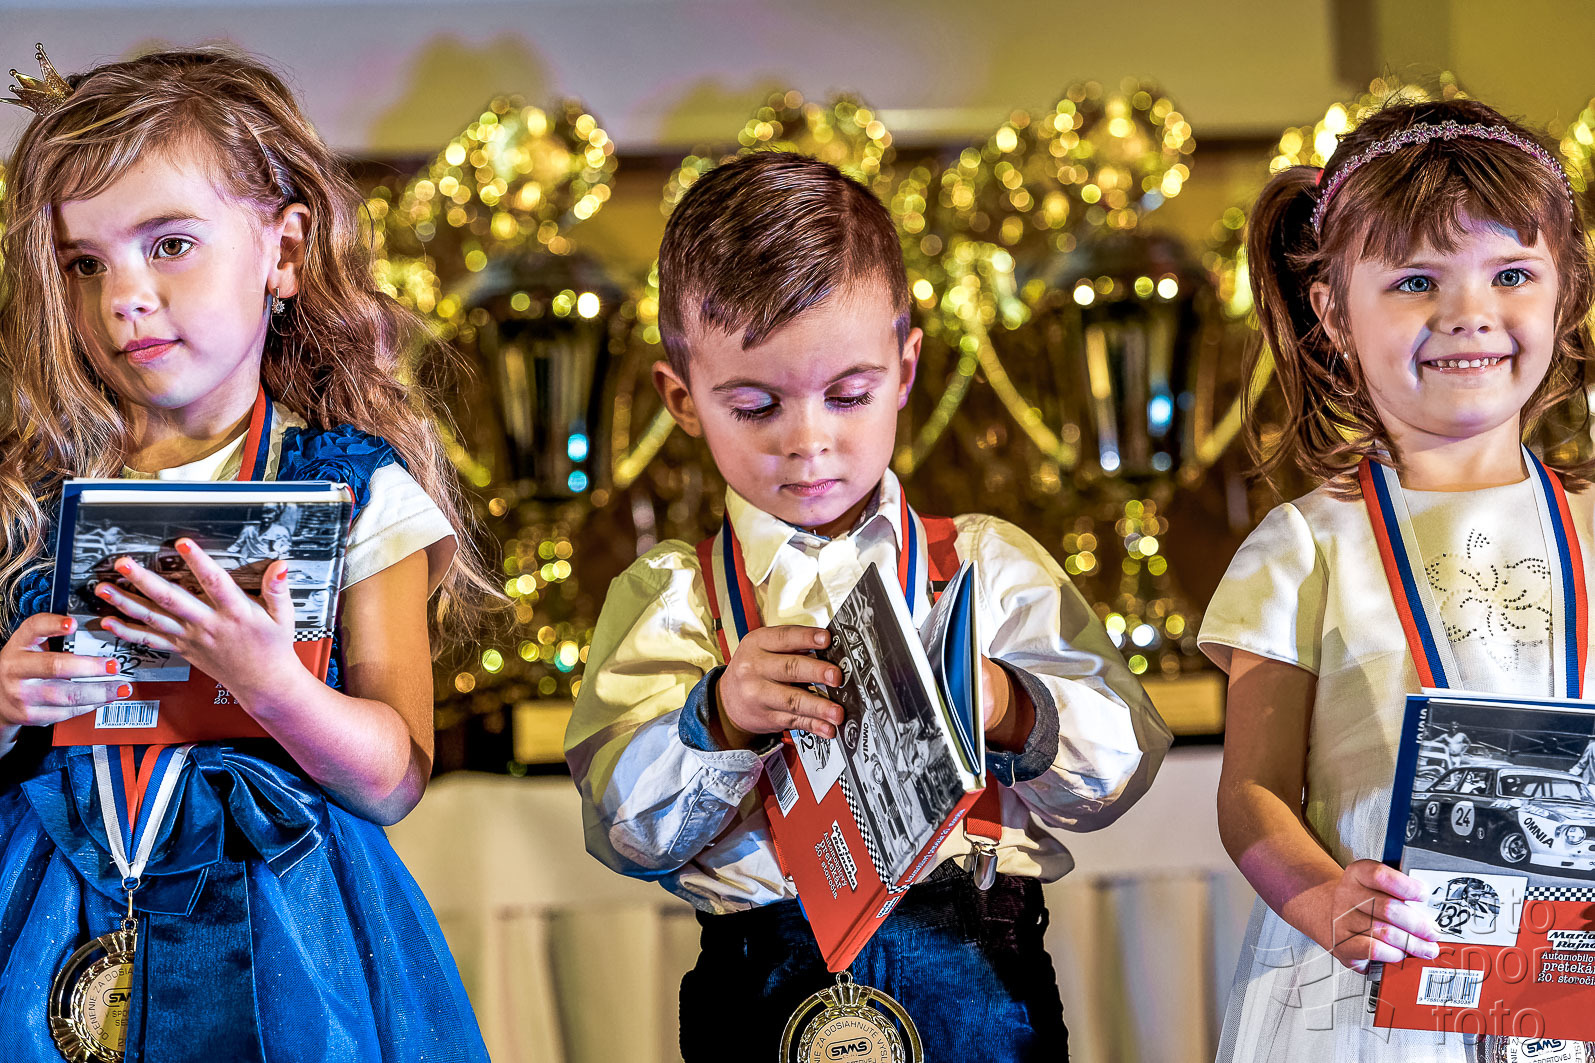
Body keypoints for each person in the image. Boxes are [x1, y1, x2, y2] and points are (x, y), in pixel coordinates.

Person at [564, 151, 1171, 1061]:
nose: (808, 441)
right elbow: (624, 830)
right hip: (760, 992)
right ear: (681, 400)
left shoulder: (985, 566)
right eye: (756, 406)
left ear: (906, 366)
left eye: (848, 395)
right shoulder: (673, 598)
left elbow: (1119, 771)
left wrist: (1005, 704)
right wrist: (719, 716)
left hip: (981, 983)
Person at [0, 47, 497, 1061]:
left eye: (170, 243)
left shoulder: (356, 490)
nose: (124, 296)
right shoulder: (22, 495)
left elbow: (394, 779)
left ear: (286, 249)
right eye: (84, 263)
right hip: (48, 917)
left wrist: (277, 687)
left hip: (289, 941)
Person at [1201, 97, 1595, 1061]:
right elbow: (1251, 790)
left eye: (1511, 273)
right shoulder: (1306, 545)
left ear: (1566, 292)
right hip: (1372, 988)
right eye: (1416, 281)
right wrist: (1320, 897)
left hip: (1569, 973)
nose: (1468, 314)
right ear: (1333, 312)